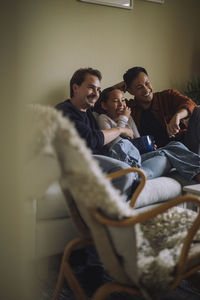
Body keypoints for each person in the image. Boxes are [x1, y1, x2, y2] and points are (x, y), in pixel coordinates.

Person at [93, 86, 200, 183]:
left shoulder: (129, 117)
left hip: (137, 154)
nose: (121, 104)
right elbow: (115, 144)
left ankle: (197, 171)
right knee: (167, 151)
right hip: (122, 157)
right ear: (104, 105)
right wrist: (123, 119)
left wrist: (146, 146)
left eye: (123, 100)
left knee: (174, 145)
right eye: (116, 101)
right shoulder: (103, 118)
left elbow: (137, 138)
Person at [114, 66, 200, 154]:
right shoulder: (129, 108)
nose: (146, 89)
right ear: (130, 91)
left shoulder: (167, 96)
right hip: (156, 153)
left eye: (147, 83)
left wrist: (177, 116)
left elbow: (191, 104)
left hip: (184, 144)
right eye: (139, 87)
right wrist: (116, 88)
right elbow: (101, 106)